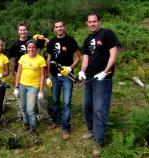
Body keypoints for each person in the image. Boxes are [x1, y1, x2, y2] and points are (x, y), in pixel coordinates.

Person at [78, 12, 119, 157]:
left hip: (102, 78)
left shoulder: (107, 34)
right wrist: (82, 71)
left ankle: (98, 141)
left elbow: (113, 54)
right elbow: (86, 57)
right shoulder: (87, 39)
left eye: (94, 21)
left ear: (99, 22)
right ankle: (92, 131)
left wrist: (105, 72)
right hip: (89, 78)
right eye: (89, 22)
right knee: (87, 106)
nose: (92, 24)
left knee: (99, 109)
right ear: (87, 23)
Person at [46, 19, 80, 140]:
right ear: (54, 29)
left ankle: (65, 127)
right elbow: (48, 59)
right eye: (57, 27)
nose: (59, 28)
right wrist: (48, 76)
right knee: (55, 100)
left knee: (66, 102)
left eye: (61, 26)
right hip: (54, 76)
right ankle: (56, 121)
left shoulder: (70, 40)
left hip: (67, 76)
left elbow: (77, 58)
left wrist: (70, 68)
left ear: (64, 27)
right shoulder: (51, 42)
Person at [13, 39, 46, 142]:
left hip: (34, 87)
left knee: (30, 109)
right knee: (22, 107)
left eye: (33, 47)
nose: (31, 49)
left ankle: (33, 129)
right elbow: (18, 72)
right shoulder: (23, 58)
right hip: (22, 85)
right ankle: (26, 123)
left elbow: (42, 76)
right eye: (29, 47)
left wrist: (41, 91)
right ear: (27, 48)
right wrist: (16, 87)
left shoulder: (40, 59)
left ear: (36, 48)